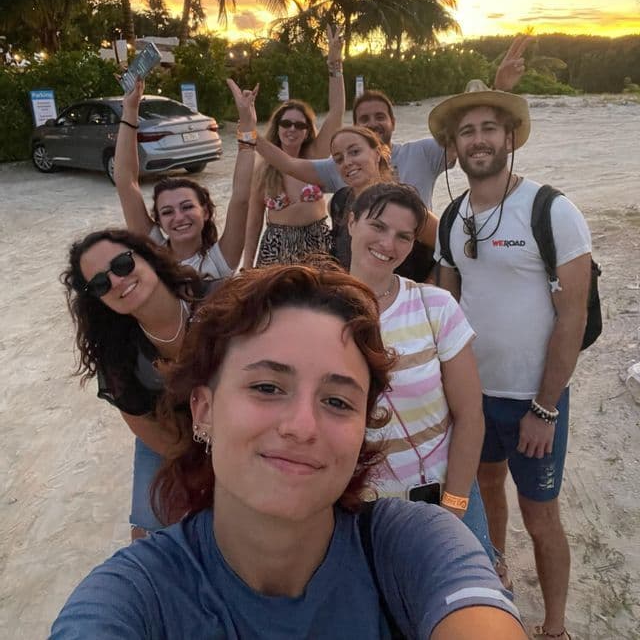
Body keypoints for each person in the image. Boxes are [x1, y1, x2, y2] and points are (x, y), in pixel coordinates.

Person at [51, 264, 524, 639]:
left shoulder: (412, 548)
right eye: (266, 386)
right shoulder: (134, 599)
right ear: (203, 410)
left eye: (337, 401)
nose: (302, 426)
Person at [429, 81, 592, 640]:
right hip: (474, 397)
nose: (478, 140)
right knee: (485, 489)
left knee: (541, 514)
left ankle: (554, 627)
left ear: (510, 139)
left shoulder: (552, 210)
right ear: (456, 144)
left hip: (532, 400)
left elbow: (570, 320)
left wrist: (544, 409)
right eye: (467, 131)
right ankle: (494, 572)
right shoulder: (452, 219)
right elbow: (448, 309)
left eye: (488, 129)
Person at [347, 182, 491, 559]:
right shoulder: (318, 310)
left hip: (444, 491)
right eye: (378, 226)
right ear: (351, 223)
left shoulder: (435, 306)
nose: (388, 244)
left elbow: (470, 416)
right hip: (358, 509)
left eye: (403, 236)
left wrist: (456, 507)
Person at [62, 229, 211, 540]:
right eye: (101, 283)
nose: (116, 281)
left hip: (244, 427)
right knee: (149, 530)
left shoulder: (219, 301)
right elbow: (155, 434)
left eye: (121, 264)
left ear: (146, 255)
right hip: (172, 436)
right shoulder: (118, 354)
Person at [307, 35, 531, 208]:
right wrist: (334, 67)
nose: (373, 123)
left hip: (422, 263)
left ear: (393, 122)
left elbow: (471, 136)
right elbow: (288, 165)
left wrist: (500, 90)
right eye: (364, 119)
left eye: (380, 117)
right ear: (356, 127)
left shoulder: (421, 153)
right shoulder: (341, 165)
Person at [114, 78, 258, 278]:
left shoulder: (219, 260)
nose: (179, 217)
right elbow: (125, 181)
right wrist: (130, 110)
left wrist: (248, 127)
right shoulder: (154, 252)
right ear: (158, 221)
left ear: (206, 212)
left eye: (187, 206)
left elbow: (241, 199)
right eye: (167, 212)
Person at [256, 125, 438, 280]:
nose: (347, 162)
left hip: (404, 310)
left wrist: (427, 291)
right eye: (339, 159)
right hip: (357, 306)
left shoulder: (406, 205)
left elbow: (449, 246)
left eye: (355, 152)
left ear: (376, 153)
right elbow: (288, 165)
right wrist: (249, 130)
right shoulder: (339, 203)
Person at [243, 26, 346, 267]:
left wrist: (335, 65)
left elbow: (337, 110)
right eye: (286, 123)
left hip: (317, 246)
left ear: (308, 131)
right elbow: (254, 219)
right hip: (276, 247)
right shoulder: (263, 167)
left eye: (300, 125)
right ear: (277, 127)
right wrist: (247, 265)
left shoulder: (316, 158)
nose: (292, 129)